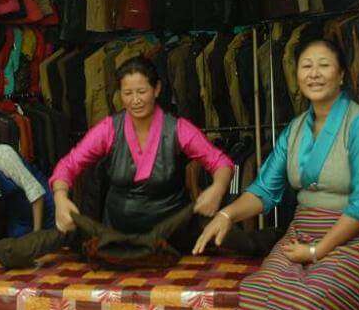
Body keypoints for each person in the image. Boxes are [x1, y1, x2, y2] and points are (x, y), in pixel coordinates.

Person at [194, 39, 359, 310]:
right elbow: (264, 190)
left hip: (355, 236)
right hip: (302, 231)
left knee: (314, 294)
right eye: (306, 66)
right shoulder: (295, 129)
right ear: (297, 76)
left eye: (324, 65)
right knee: (261, 289)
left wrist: (316, 251)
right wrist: (226, 215)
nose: (314, 74)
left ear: (341, 75)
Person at [50, 55, 239, 247]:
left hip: (172, 238)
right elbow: (69, 164)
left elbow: (221, 163)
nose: (135, 100)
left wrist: (217, 188)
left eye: (141, 91)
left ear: (156, 89)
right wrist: (60, 196)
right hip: (118, 237)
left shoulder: (178, 129)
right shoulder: (109, 130)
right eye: (128, 93)